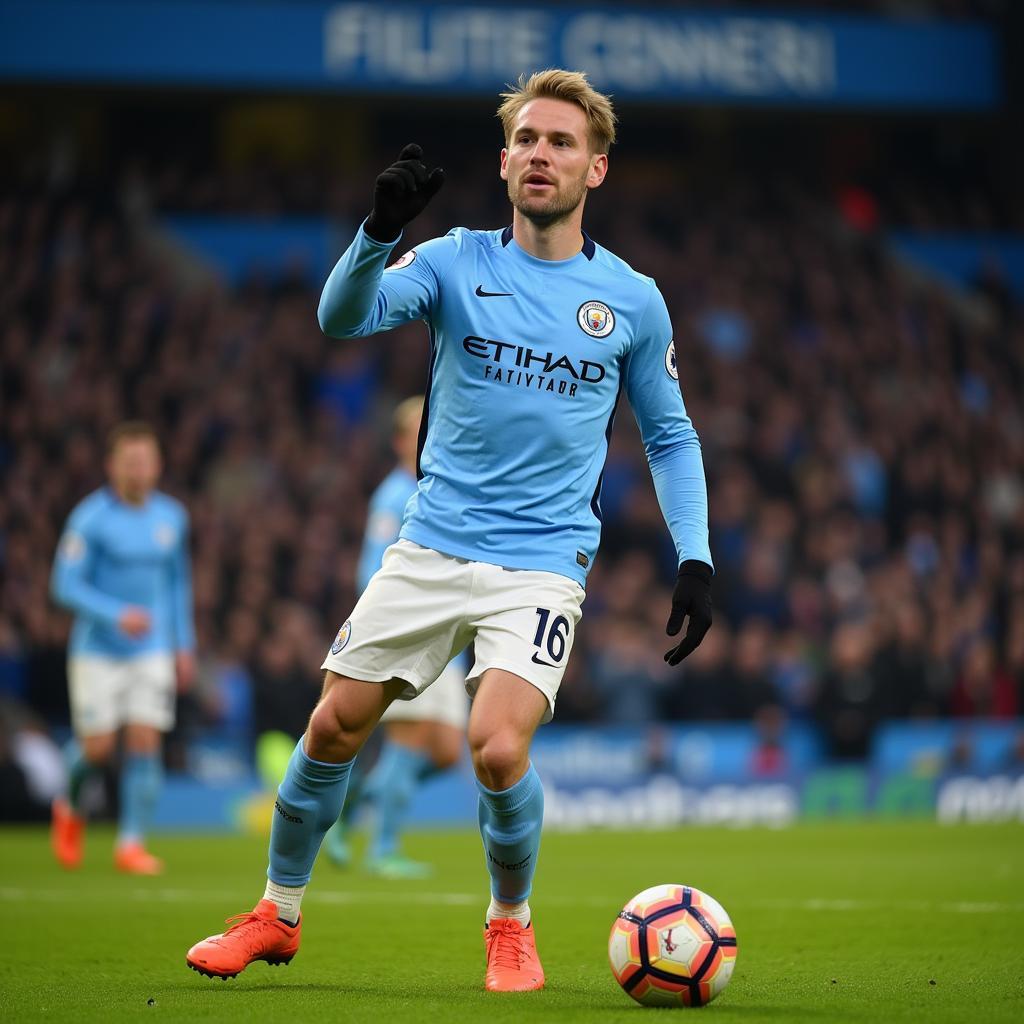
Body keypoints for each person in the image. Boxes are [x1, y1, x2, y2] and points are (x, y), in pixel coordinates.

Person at [186, 69, 713, 992]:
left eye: (562, 143)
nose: (542, 155)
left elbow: (668, 434)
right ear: (504, 160)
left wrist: (696, 556)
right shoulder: (453, 260)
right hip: (431, 543)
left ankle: (509, 924)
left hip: (543, 562)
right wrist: (378, 232)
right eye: (529, 142)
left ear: (597, 169)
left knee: (497, 746)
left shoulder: (631, 299)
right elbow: (339, 318)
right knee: (331, 727)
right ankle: (277, 913)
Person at [322, 395, 468, 878]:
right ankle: (384, 847)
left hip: (449, 639)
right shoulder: (394, 494)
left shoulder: (454, 485)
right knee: (408, 742)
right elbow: (373, 565)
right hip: (411, 630)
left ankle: (350, 810)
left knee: (447, 752)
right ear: (402, 440)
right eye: (419, 428)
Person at [50, 421, 195, 874]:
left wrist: (182, 644)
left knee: (145, 740)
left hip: (150, 649)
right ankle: (69, 805)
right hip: (97, 650)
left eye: (145, 461)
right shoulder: (90, 518)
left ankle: (131, 842)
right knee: (96, 750)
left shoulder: (171, 517)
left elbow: (176, 585)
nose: (138, 470)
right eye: (129, 462)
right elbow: (64, 585)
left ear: (158, 465)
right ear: (111, 466)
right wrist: (116, 614)